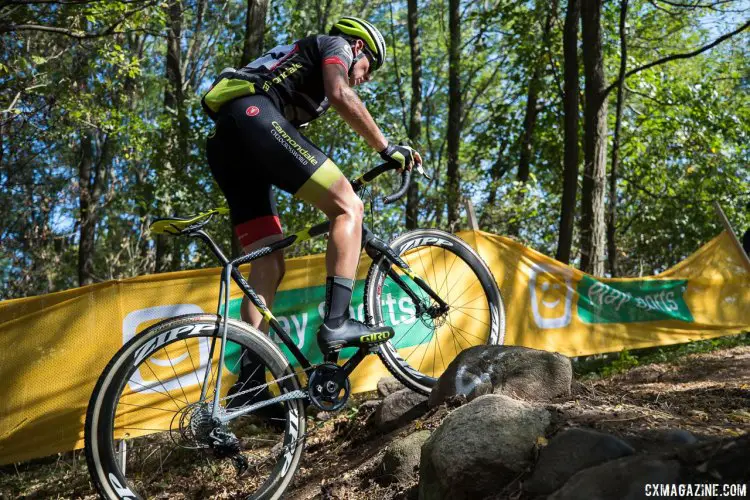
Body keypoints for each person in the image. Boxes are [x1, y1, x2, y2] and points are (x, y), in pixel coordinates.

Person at [201, 17, 422, 407]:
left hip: (226, 142)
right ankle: (337, 322)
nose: (366, 79)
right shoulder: (335, 45)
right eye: (370, 67)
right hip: (255, 117)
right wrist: (387, 148)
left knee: (268, 261)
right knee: (348, 207)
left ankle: (249, 382)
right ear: (358, 47)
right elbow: (340, 94)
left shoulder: (300, 70)